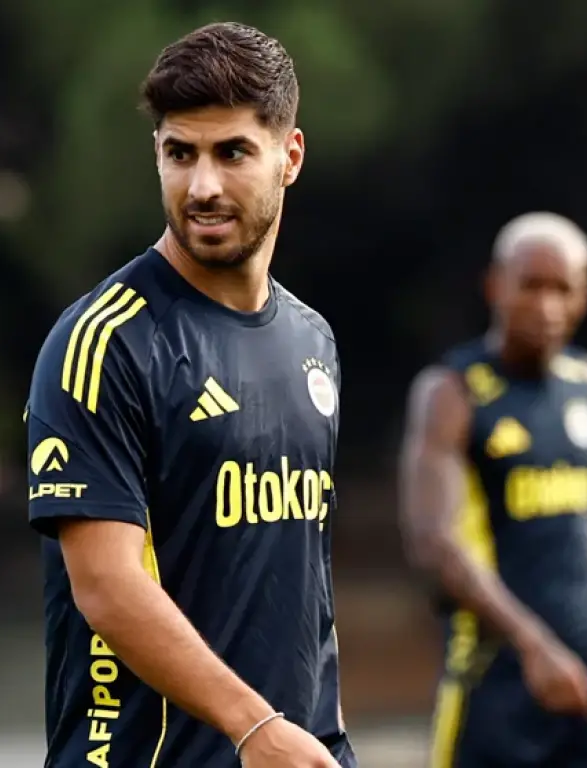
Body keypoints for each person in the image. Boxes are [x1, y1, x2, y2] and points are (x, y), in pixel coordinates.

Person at [24, 22, 352, 768]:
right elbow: (106, 585)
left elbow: (307, 581)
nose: (202, 186)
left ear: (290, 157)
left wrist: (325, 735)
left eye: (232, 152)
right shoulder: (104, 343)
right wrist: (255, 727)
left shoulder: (313, 340)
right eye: (181, 153)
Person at [398, 212, 587, 767]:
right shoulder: (453, 392)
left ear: (585, 296)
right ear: (496, 286)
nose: (547, 306)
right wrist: (533, 645)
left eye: (563, 289)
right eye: (531, 286)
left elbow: (580, 532)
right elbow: (433, 543)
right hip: (498, 667)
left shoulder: (586, 380)